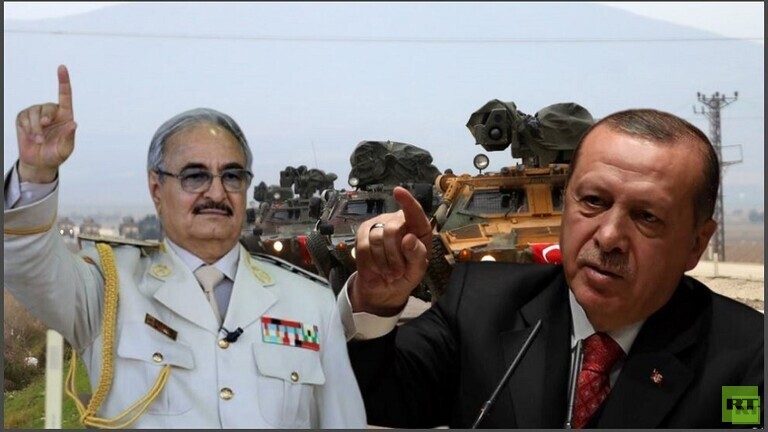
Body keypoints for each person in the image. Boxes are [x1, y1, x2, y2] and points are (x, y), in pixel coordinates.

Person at [337, 108, 764, 428]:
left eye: (647, 217)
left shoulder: (746, 360)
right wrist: (376, 303)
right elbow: (374, 396)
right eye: (592, 201)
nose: (608, 237)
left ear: (696, 243)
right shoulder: (480, 306)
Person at [4, 65, 366, 429]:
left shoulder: (311, 304)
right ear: (156, 189)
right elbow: (26, 263)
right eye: (195, 176)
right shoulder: (107, 292)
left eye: (232, 176)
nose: (216, 192)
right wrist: (35, 176)